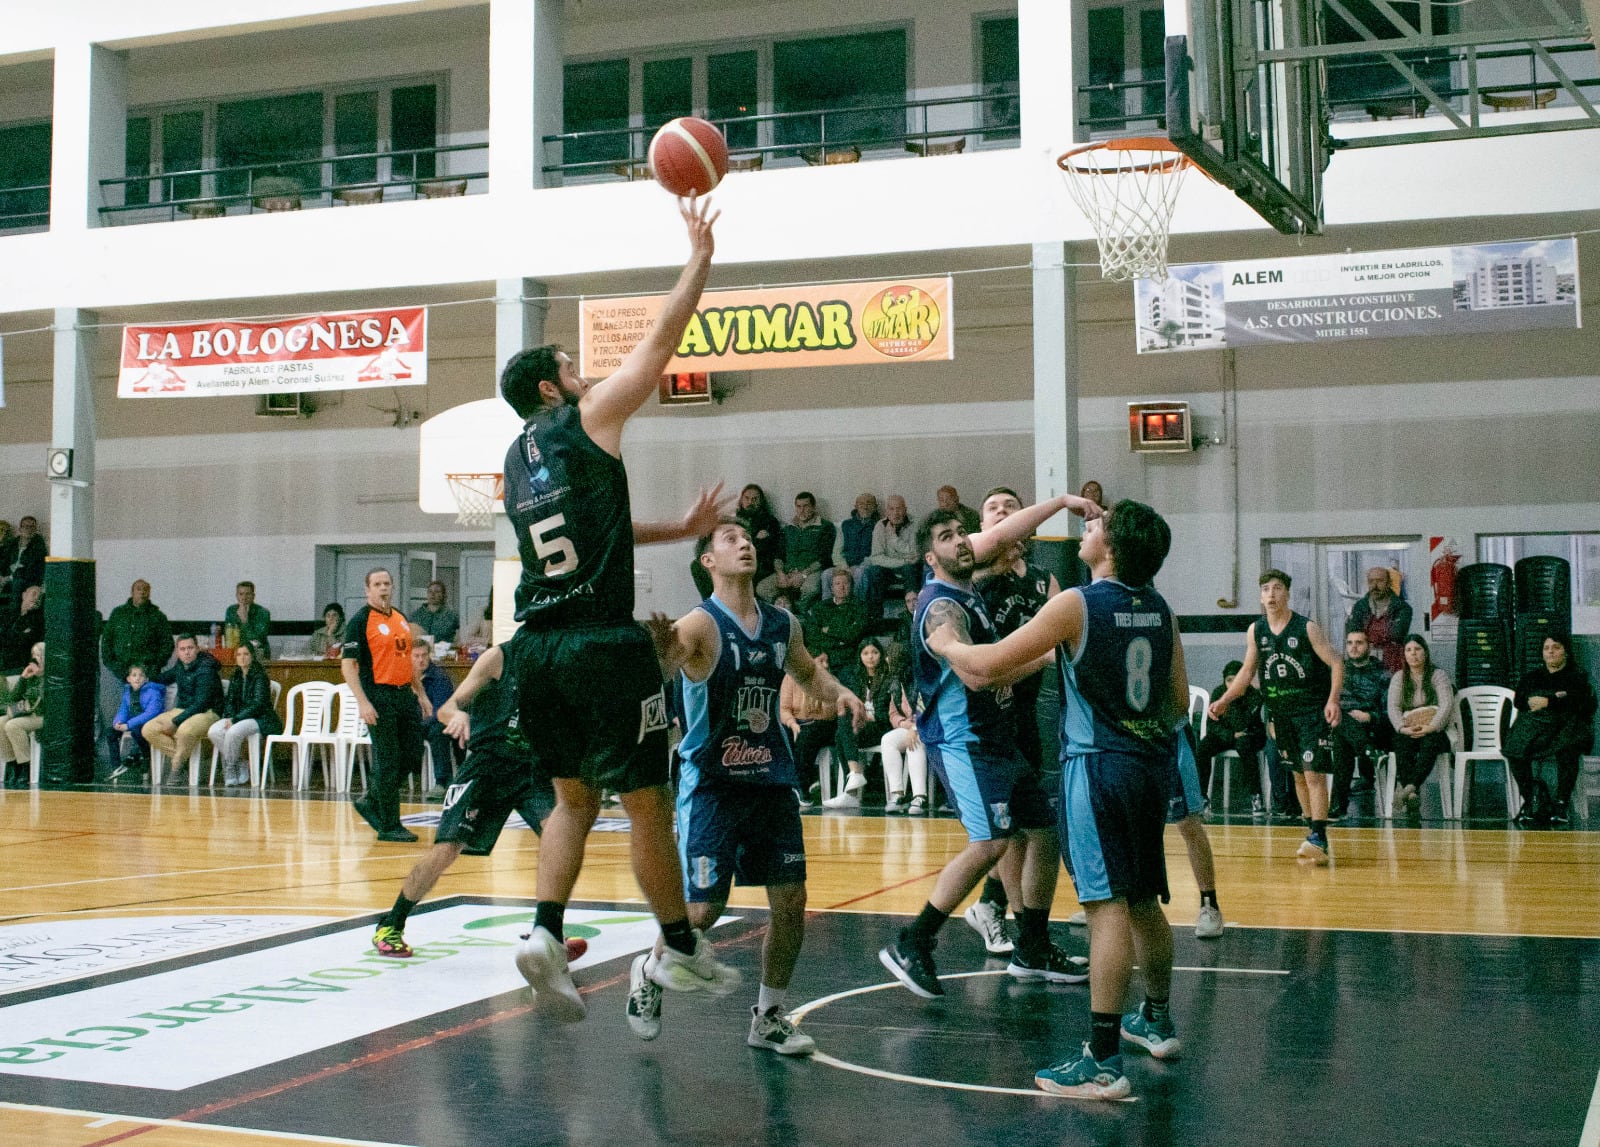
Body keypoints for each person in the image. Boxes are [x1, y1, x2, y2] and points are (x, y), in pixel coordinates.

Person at [498, 195, 742, 1021]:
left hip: (536, 647)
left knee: (572, 799)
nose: (585, 371)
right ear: (549, 386)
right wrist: (698, 260)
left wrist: (678, 526)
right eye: (571, 364)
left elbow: (591, 527)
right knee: (647, 801)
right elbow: (658, 349)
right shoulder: (583, 419)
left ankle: (543, 931)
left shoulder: (515, 462)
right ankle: (677, 944)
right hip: (603, 646)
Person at [928, 500, 1186, 1101]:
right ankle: (1156, 1018)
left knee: (1106, 907)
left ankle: (1101, 1058)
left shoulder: (1076, 603)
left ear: (1112, 547)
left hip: (1095, 770)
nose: (1085, 531)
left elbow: (989, 662)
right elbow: (1174, 700)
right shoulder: (1160, 608)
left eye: (1095, 527)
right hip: (1150, 768)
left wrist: (946, 645)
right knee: (1144, 896)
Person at [628, 519, 865, 1053]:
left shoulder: (784, 623)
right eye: (730, 539)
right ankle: (647, 970)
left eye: (747, 537)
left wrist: (843, 692)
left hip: (771, 781)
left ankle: (769, 1017)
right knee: (702, 913)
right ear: (708, 561)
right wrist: (659, 654)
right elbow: (662, 668)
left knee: (791, 902)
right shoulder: (699, 625)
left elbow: (807, 674)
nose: (745, 543)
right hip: (713, 785)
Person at [879, 501, 1101, 1004]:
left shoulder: (966, 586)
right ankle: (913, 939)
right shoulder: (940, 606)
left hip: (994, 735)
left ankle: (1033, 945)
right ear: (929, 557)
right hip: (963, 741)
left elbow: (1001, 537)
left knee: (1042, 830)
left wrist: (1063, 502)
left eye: (963, 533)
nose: (961, 541)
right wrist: (1039, 655)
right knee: (992, 843)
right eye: (947, 537)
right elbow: (977, 673)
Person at [370, 629, 567, 957]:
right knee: (446, 850)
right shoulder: (499, 658)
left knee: (559, 840)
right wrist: (459, 714)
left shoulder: (556, 666)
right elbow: (446, 708)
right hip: (486, 768)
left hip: (529, 771)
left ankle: (549, 933)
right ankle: (391, 923)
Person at [965, 485, 1061, 955]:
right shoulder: (973, 579)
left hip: (1024, 709)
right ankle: (1015, 921)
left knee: (1029, 825)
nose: (1001, 513)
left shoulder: (1045, 582)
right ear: (983, 527)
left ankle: (999, 909)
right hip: (982, 716)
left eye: (1010, 508)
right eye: (992, 509)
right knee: (1008, 828)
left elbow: (1061, 643)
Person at [1210, 569, 1343, 864]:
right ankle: (1313, 834)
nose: (1271, 594)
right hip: (1279, 714)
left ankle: (1319, 835)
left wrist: (1333, 699)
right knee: (1296, 774)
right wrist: (1224, 699)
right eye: (1266, 589)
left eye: (1277, 588)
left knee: (1313, 773)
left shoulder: (1306, 628)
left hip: (1310, 712)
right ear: (1260, 596)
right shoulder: (1256, 631)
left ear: (1287, 593)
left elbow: (1336, 661)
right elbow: (1246, 673)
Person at [342, 569, 429, 842]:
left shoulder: (401, 618)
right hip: (379, 696)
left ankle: (370, 800)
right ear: (367, 590)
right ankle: (390, 825)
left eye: (387, 583)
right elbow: (347, 666)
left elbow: (408, 661)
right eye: (377, 584)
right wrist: (363, 702)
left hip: (404, 695)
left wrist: (421, 694)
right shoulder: (359, 621)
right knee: (389, 760)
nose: (383, 588)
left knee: (413, 754)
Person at [1507, 634, 1597, 826]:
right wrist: (1536, 701)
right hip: (1539, 727)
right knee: (1514, 748)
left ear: (1565, 652)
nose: (1550, 651)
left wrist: (1550, 700)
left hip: (1568, 728)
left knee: (1568, 747)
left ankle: (1561, 804)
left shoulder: (1577, 676)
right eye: (1546, 648)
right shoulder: (1533, 677)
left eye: (1556, 647)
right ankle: (1531, 800)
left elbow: (1584, 702)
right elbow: (1520, 700)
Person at [1385, 635, 1454, 817]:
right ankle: (1412, 792)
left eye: (1417, 649)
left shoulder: (1438, 675)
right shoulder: (1399, 677)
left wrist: (1431, 727)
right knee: (1400, 742)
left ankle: (1409, 787)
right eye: (1408, 650)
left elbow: (1446, 704)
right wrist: (1402, 727)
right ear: (1404, 655)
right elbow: (1393, 707)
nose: (1413, 654)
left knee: (1430, 743)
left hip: (1435, 729)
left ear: (1425, 652)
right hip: (1410, 729)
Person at [144, 634, 226, 783]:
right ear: (177, 652)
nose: (186, 652)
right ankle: (182, 760)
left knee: (184, 730)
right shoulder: (180, 665)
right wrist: (145, 678)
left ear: (197, 649)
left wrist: (175, 721)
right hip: (184, 709)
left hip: (208, 712)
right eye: (182, 649)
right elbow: (165, 677)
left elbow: (201, 703)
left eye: (190, 648)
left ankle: (176, 768)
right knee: (148, 729)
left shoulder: (206, 668)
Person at [824, 637, 894, 808]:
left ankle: (852, 790)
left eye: (875, 652)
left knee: (841, 734)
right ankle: (854, 776)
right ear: (860, 657)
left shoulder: (888, 677)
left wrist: (869, 717)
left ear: (881, 654)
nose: (870, 657)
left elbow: (888, 712)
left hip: (881, 727)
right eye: (866, 653)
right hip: (859, 726)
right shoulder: (855, 677)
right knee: (841, 730)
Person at [1194, 660, 1268, 817]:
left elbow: (1243, 723)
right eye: (1229, 681)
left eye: (1237, 680)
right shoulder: (1218, 693)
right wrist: (1230, 735)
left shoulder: (1254, 695)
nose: (1232, 684)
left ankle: (1256, 796)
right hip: (1227, 734)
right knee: (1203, 747)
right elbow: (1212, 725)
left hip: (1250, 735)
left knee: (1244, 745)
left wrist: (1232, 699)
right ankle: (1202, 797)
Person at [1330, 628, 1391, 819]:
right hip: (1342, 723)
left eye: (1359, 643)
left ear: (1369, 646)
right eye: (1349, 643)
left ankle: (1338, 806)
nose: (1353, 647)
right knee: (1341, 726)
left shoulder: (1382, 673)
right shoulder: (1340, 670)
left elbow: (1389, 710)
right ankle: (1370, 751)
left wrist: (1369, 716)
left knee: (1342, 738)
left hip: (1372, 725)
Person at [206, 640, 281, 786]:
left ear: (252, 656)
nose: (242, 657)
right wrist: (228, 716)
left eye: (246, 654)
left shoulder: (260, 676)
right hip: (239, 716)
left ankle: (229, 768)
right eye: (239, 654)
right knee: (214, 731)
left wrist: (235, 719)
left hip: (259, 718)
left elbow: (258, 704)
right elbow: (230, 700)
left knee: (233, 732)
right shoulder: (236, 675)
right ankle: (240, 762)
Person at [780, 651, 837, 806]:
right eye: (821, 661)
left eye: (827, 661)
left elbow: (830, 714)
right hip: (797, 722)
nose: (825, 665)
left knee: (808, 735)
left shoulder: (830, 680)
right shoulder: (791, 678)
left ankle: (801, 786)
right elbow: (784, 708)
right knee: (782, 733)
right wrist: (792, 723)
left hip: (821, 724)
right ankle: (799, 781)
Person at [760, 492, 835, 604]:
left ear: (813, 508)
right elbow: (779, 554)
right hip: (787, 570)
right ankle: (785, 606)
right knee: (762, 588)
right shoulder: (788, 528)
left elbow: (824, 558)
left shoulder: (825, 527)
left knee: (810, 589)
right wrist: (780, 573)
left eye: (806, 506)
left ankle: (796, 609)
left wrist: (803, 575)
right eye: (798, 506)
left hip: (811, 571)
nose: (802, 510)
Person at [879, 653, 929, 813]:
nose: (887, 659)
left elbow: (927, 708)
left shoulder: (921, 678)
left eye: (890, 657)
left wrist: (915, 728)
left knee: (914, 742)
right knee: (888, 740)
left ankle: (920, 797)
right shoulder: (895, 682)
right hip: (907, 726)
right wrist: (902, 723)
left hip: (928, 726)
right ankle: (897, 794)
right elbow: (892, 713)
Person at [102, 580, 174, 683]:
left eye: (146, 590)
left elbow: (167, 644)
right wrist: (114, 666)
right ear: (132, 592)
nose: (142, 592)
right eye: (139, 589)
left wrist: (155, 666)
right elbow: (106, 641)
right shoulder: (118, 614)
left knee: (148, 698)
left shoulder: (158, 616)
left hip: (148, 674)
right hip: (120, 673)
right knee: (125, 699)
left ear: (149, 593)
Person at [413, 634, 458, 797]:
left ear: (429, 655)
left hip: (432, 723)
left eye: (424, 655)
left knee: (438, 730)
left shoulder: (439, 678)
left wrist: (419, 724)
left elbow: (440, 712)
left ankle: (442, 782)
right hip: (412, 725)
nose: (420, 660)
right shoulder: (403, 678)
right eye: (416, 656)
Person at [1348, 566, 1413, 674]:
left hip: (1393, 666)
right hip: (1364, 665)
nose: (1375, 586)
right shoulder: (1359, 607)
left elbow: (1397, 635)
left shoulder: (1403, 608)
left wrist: (1368, 639)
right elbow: (1354, 634)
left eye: (1380, 581)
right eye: (1371, 581)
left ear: (1388, 583)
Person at [108, 662, 166, 780]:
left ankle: (145, 757)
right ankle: (117, 767)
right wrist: (118, 722)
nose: (138, 678)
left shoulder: (154, 692)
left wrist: (128, 724)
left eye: (141, 675)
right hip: (133, 723)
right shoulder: (128, 692)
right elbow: (123, 709)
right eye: (134, 675)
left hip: (150, 723)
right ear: (129, 679)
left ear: (146, 679)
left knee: (137, 731)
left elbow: (151, 713)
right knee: (110, 733)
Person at [863, 494, 917, 617]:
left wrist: (893, 539)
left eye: (899, 509)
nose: (896, 513)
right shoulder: (880, 526)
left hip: (909, 569)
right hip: (888, 570)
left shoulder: (914, 524)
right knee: (874, 571)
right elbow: (876, 557)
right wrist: (903, 561)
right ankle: (875, 617)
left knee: (910, 569)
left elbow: (914, 553)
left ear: (905, 510)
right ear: (886, 511)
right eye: (892, 509)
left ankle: (912, 615)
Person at [805, 568, 868, 668]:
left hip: (846, 656)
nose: (842, 587)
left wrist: (827, 630)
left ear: (851, 586)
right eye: (837, 584)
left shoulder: (860, 607)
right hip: (822, 653)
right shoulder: (820, 607)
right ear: (832, 588)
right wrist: (838, 641)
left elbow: (852, 635)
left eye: (846, 583)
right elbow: (812, 634)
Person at [0, 642, 43, 782]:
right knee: (1, 722)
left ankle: (25, 765)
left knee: (13, 725)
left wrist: (39, 675)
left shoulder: (50, 677)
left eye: (38, 655)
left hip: (40, 714)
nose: (35, 658)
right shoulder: (29, 676)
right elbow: (13, 698)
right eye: (33, 655)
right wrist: (23, 679)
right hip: (26, 712)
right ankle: (12, 763)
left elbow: (44, 701)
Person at [735, 484, 783, 587]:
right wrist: (755, 539)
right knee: (697, 566)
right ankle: (714, 602)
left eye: (755, 499)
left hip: (759, 562)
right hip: (735, 558)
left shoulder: (770, 521)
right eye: (747, 498)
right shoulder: (734, 521)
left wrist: (752, 542)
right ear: (741, 499)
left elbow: (768, 548)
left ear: (761, 501)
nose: (750, 502)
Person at [0, 515, 46, 616]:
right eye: (26, 526)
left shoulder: (38, 544)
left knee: (18, 582)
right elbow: (4, 561)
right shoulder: (14, 543)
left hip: (26, 578)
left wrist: (12, 575)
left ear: (36, 529)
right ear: (20, 528)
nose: (29, 529)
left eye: (32, 527)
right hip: (9, 576)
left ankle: (14, 617)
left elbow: (34, 568)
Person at [832, 493, 879, 589]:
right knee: (826, 574)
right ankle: (829, 604)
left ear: (875, 507)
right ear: (856, 506)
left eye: (869, 503)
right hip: (844, 565)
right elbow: (837, 551)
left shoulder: (879, 526)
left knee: (859, 572)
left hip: (866, 565)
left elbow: (878, 554)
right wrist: (845, 568)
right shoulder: (845, 525)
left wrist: (860, 566)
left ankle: (858, 603)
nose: (865, 507)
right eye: (861, 504)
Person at [222, 580, 272, 658]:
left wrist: (244, 620)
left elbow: (257, 641)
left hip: (258, 654)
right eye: (241, 594)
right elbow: (229, 636)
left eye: (247, 594)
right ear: (237, 596)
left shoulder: (263, 612)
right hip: (236, 653)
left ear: (253, 596)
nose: (244, 598)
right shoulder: (231, 610)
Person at [1, 585, 43, 672]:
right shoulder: (9, 614)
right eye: (34, 593)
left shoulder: (37, 620)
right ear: (24, 595)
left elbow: (24, 640)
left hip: (18, 666)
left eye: (39, 596)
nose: (36, 597)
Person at [415, 581, 460, 645]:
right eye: (430, 591)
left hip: (444, 652)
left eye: (437, 591)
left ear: (443, 595)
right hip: (422, 652)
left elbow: (462, 635)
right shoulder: (417, 615)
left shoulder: (452, 615)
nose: (432, 594)